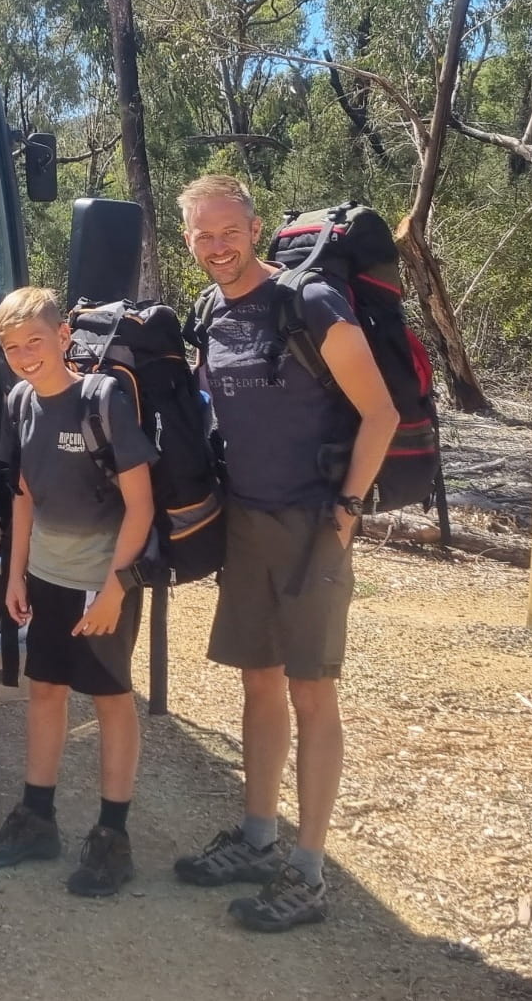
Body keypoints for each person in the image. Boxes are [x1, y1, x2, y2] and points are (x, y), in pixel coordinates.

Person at [171, 174, 399, 931]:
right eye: (203, 235)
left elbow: (381, 411)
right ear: (187, 241)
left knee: (311, 694)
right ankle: (259, 836)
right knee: (259, 685)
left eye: (228, 230)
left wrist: (346, 511)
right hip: (246, 522)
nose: (217, 246)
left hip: (311, 522)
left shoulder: (308, 302)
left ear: (254, 226)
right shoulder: (210, 312)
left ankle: (308, 872)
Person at [0, 286, 156, 897]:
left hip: (101, 583)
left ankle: (112, 838)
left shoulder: (101, 400)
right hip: (47, 577)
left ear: (62, 338)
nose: (25, 356)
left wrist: (116, 589)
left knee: (109, 700)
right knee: (45, 690)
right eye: (11, 347)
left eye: (35, 342)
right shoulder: (20, 401)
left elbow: (141, 506)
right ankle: (37, 819)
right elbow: (23, 495)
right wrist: (16, 574)